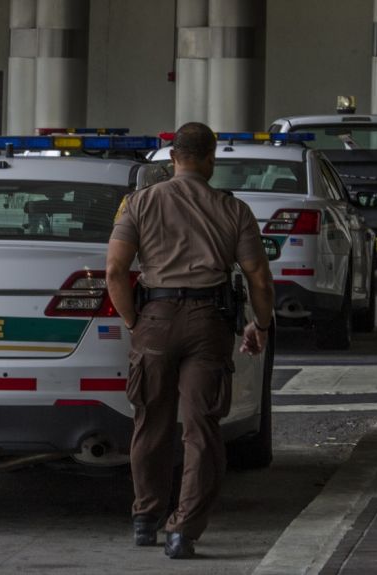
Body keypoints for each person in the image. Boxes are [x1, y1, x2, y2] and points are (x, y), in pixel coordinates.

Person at [105, 122, 274, 559]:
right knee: (201, 429)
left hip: (154, 320)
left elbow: (115, 270)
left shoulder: (138, 203)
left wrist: (132, 322)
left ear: (173, 156)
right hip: (208, 322)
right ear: (210, 158)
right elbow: (257, 274)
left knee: (151, 420)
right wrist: (261, 324)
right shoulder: (233, 209)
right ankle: (183, 531)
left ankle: (146, 517)